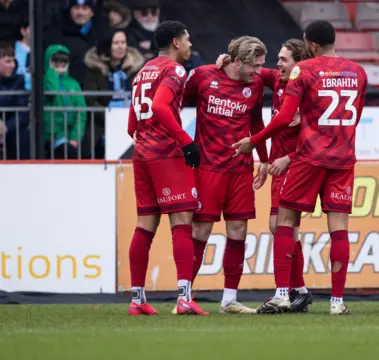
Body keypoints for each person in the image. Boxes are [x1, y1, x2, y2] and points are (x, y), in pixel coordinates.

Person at [233, 20, 368, 315]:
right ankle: (337, 302)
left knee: (284, 219)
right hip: (343, 159)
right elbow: (356, 115)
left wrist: (252, 142)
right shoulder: (358, 72)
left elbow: (283, 118)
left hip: (308, 157)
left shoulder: (303, 70)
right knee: (339, 229)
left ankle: (283, 294)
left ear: (311, 45)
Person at [215, 38, 313, 313]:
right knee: (283, 227)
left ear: (299, 64)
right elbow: (247, 65)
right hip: (278, 165)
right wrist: (226, 56)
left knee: (282, 226)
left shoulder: (308, 90)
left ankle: (287, 292)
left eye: (284, 59)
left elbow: (317, 136)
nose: (276, 65)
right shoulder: (277, 78)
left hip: (296, 164)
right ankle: (299, 291)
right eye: (278, 58)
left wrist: (286, 157)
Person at [183, 36, 270, 315]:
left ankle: (229, 300)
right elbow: (176, 102)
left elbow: (257, 122)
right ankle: (184, 296)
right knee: (200, 232)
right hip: (208, 168)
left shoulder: (254, 84)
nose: (258, 71)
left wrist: (264, 159)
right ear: (237, 60)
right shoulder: (203, 76)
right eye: (254, 66)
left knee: (238, 232)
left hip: (240, 169)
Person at [126, 20, 207, 316]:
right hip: (167, 156)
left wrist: (147, 140)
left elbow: (131, 126)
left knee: (145, 225)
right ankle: (184, 298)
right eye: (187, 39)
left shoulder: (141, 72)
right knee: (182, 223)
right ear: (176, 41)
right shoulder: (174, 70)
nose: (189, 45)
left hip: (142, 155)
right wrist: (185, 141)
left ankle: (137, 300)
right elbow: (160, 107)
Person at [84, 29, 144, 158]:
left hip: (133, 124)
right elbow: (90, 99)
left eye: (123, 42)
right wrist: (110, 116)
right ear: (107, 45)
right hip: (103, 124)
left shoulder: (136, 68)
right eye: (116, 43)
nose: (121, 46)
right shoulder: (95, 69)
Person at [44, 0, 105, 87]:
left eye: (85, 8)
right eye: (76, 8)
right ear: (70, 10)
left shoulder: (101, 34)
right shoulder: (55, 33)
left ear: (92, 12)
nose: (80, 13)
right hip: (66, 90)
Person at [43, 44, 86, 159]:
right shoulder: (45, 80)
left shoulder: (73, 84)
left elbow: (81, 112)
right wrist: (52, 72)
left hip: (69, 136)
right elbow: (52, 91)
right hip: (51, 135)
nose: (60, 64)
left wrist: (75, 137)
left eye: (64, 61)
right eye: (55, 61)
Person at [0, 41, 29, 160]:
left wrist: (4, 129)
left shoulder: (19, 81)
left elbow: (22, 114)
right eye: (7, 61)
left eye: (13, 60)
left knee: (24, 138)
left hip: (10, 131)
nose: (12, 65)